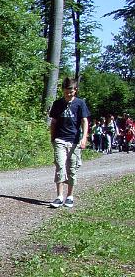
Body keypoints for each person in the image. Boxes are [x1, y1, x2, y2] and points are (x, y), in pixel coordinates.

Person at [48, 77, 89, 208]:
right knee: (60, 166)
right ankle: (59, 196)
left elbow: (84, 121)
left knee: (71, 168)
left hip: (74, 140)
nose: (68, 94)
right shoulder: (57, 104)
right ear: (63, 91)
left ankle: (70, 196)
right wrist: (52, 137)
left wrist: (84, 137)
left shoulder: (80, 103)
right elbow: (53, 122)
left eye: (71, 92)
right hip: (60, 139)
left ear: (75, 90)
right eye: (66, 92)